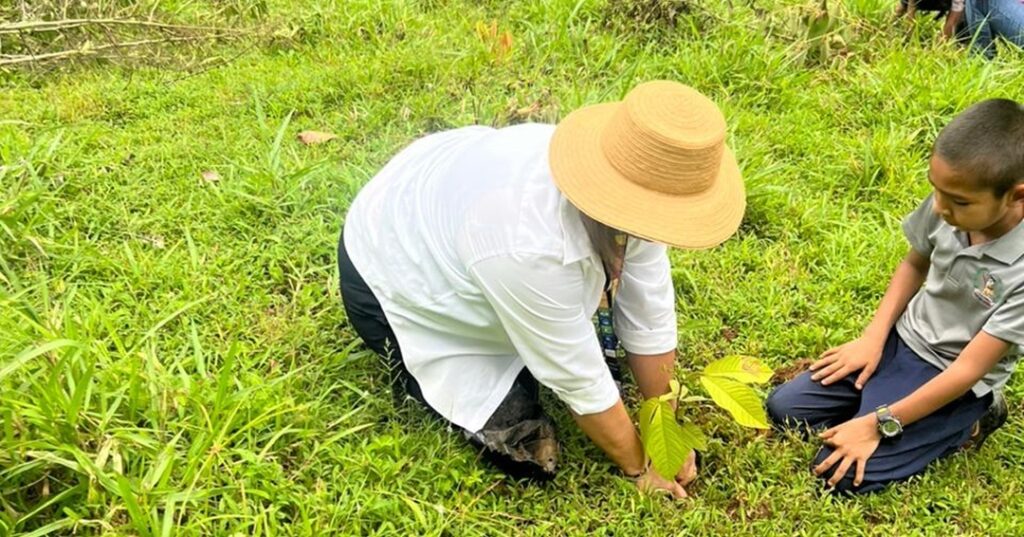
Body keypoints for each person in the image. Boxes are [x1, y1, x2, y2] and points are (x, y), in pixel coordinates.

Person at [337, 81, 746, 498]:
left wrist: (664, 428)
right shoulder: (522, 241)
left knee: (563, 339)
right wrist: (639, 467)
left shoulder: (639, 187)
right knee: (520, 440)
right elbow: (576, 376)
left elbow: (649, 311)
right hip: (387, 270)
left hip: (449, 200)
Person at [766, 99, 1024, 494]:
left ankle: (974, 418)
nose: (940, 207)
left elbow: (967, 370)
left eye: (959, 202)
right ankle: (879, 399)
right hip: (900, 341)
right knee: (784, 409)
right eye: (936, 191)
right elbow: (914, 264)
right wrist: (872, 339)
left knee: (839, 478)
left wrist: (877, 423)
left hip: (949, 376)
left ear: (1016, 196)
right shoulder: (949, 202)